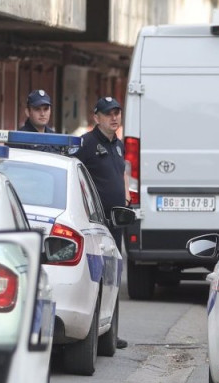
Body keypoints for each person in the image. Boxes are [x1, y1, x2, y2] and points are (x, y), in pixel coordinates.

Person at [76, 96, 129, 349]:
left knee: (113, 277)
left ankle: (110, 333)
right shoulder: (86, 144)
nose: (114, 117)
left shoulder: (118, 145)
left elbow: (120, 175)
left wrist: (126, 196)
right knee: (97, 276)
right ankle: (93, 331)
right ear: (96, 117)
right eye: (108, 113)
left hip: (115, 223)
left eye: (117, 112)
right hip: (96, 223)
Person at [19, 89, 61, 153]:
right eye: (37, 109)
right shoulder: (18, 139)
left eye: (46, 109)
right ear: (27, 112)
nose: (42, 114)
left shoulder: (55, 137)